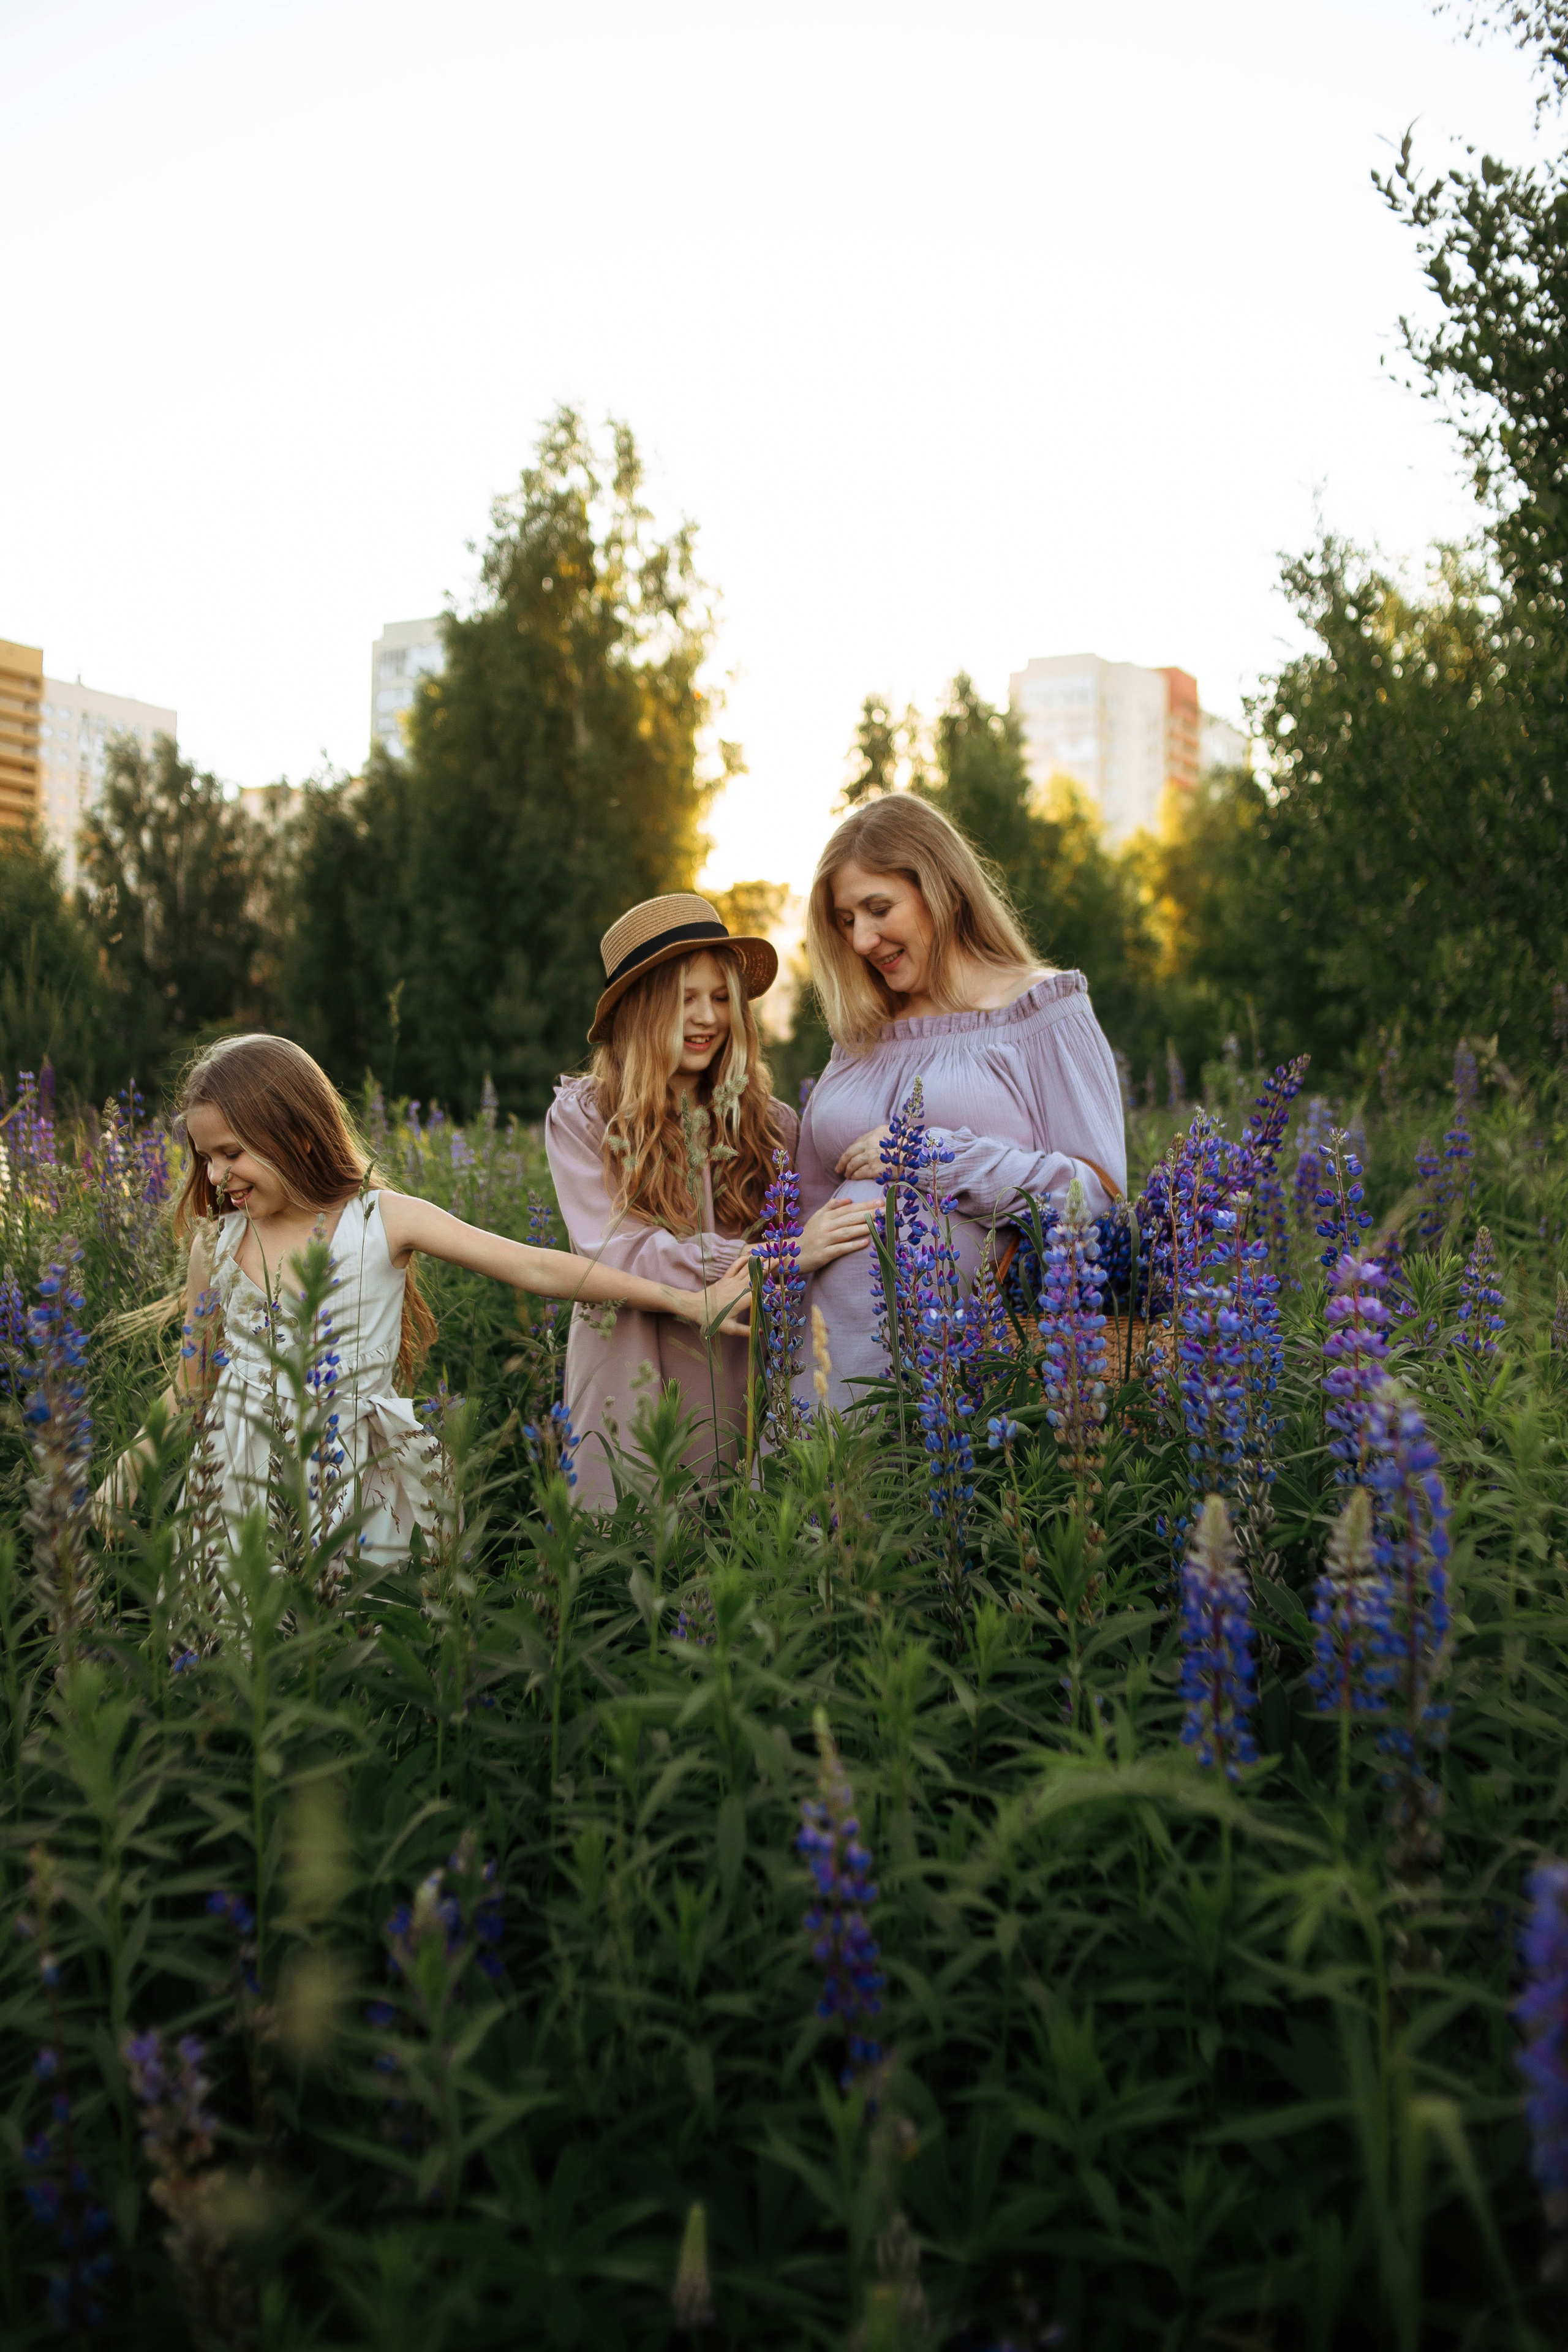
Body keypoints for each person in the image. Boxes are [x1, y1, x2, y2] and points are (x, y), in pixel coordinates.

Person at [95, 1032, 752, 1564]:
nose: (215, 1176)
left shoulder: (384, 1219)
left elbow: (536, 1267)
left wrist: (685, 1301)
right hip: (238, 1478)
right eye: (205, 1158)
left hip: (359, 1471)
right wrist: (124, 1475)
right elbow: (190, 1387)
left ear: (295, 1133)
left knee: (364, 1643)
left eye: (230, 1153)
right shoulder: (214, 1247)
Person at [794, 796, 1127, 1414]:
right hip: (807, 1369)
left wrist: (932, 1156)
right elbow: (810, 1199)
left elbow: (1099, 1195)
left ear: (941, 888)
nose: (862, 939)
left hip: (956, 1394)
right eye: (845, 920)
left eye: (878, 908)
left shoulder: (1043, 1011)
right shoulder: (858, 1033)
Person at [545, 892, 874, 1506]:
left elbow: (816, 1234)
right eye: (683, 999)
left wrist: (882, 1149)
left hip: (735, 1367)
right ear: (640, 1010)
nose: (706, 1017)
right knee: (631, 1545)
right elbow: (615, 1252)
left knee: (731, 1547)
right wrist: (769, 1258)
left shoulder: (771, 1124)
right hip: (631, 1361)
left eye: (721, 998)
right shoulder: (587, 1117)